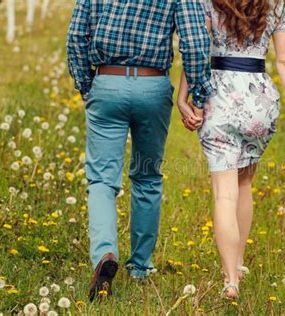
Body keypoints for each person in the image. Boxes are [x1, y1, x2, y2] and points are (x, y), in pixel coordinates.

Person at [66, 0, 211, 301]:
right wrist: (197, 94)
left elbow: (77, 36)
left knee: (102, 182)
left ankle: (105, 253)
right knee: (147, 177)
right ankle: (140, 266)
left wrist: (86, 85)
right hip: (152, 87)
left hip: (107, 83)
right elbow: (195, 42)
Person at [178, 0, 285, 299]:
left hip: (219, 98)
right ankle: (238, 262)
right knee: (245, 182)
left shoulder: (208, 3)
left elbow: (198, 53)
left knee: (224, 193)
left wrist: (184, 98)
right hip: (257, 101)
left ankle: (230, 279)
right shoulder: (276, 6)